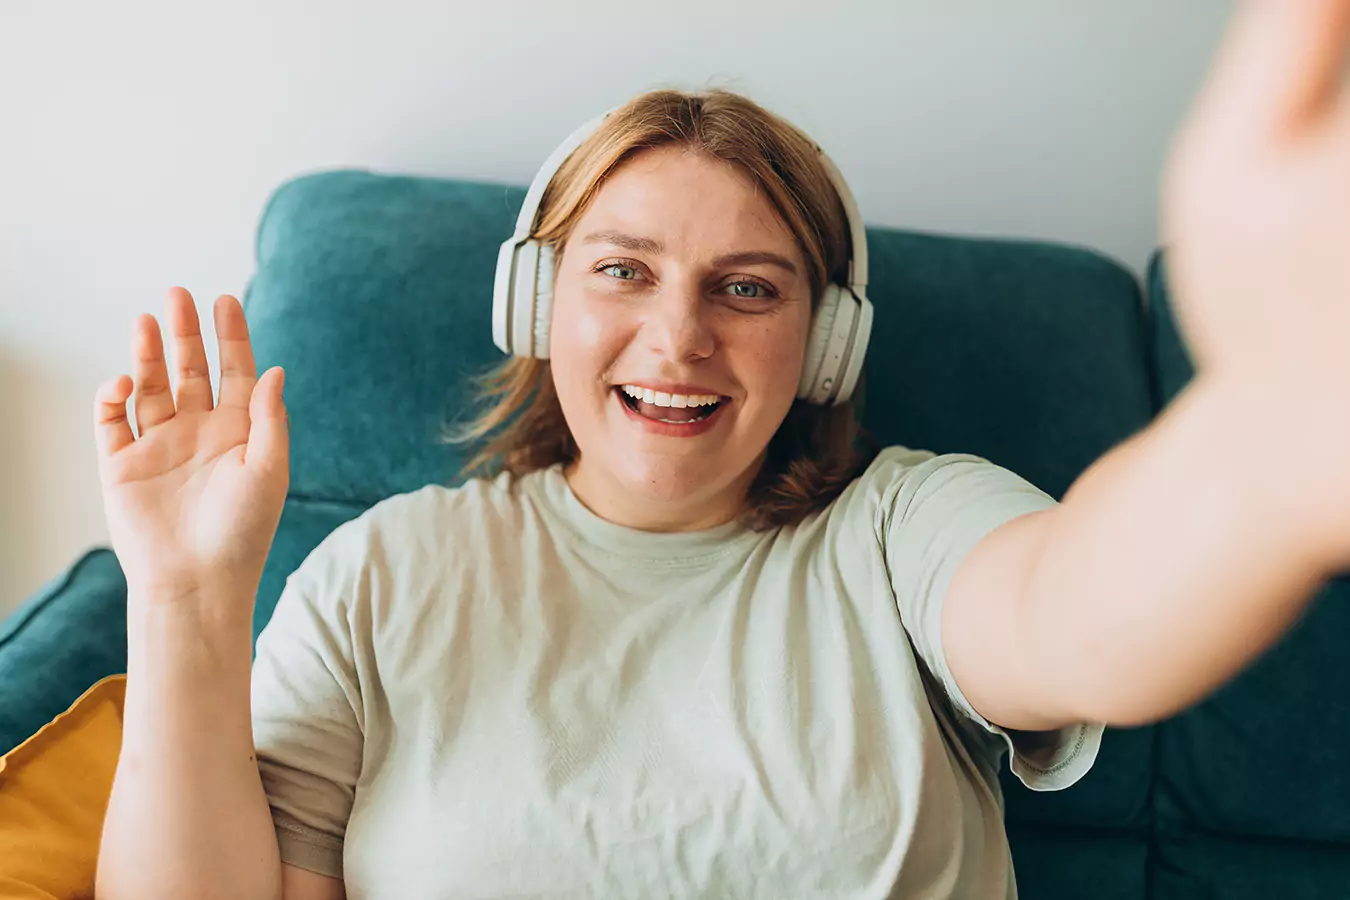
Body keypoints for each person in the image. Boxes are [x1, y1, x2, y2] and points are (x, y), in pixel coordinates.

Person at [92, 2, 1350, 898]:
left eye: (748, 289)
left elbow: (1081, 611)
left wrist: (1270, 438)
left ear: (826, 350)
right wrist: (189, 603)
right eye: (623, 271)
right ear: (537, 309)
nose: (678, 335)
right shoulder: (382, 576)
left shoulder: (904, 532)